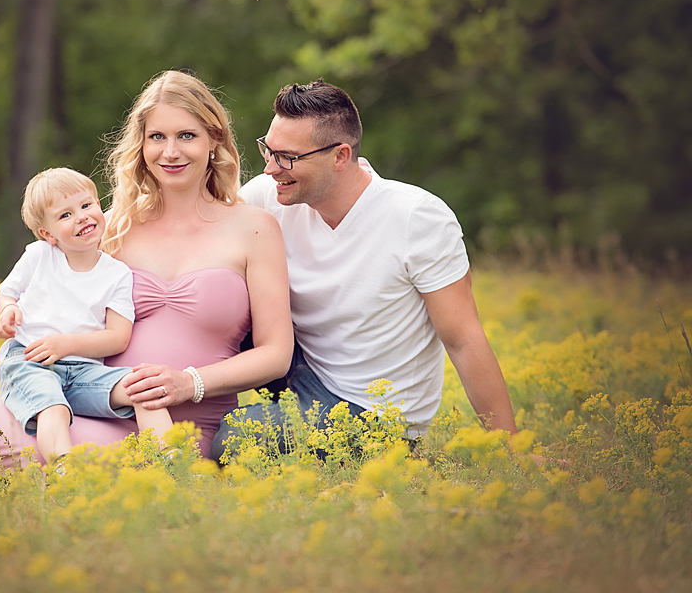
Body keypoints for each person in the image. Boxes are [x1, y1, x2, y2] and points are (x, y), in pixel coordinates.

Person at [0, 71, 293, 480]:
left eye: (187, 136)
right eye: (157, 137)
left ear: (214, 139)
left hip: (177, 426)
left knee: (91, 462)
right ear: (141, 144)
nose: (171, 152)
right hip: (96, 402)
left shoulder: (253, 228)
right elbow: (47, 286)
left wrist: (188, 383)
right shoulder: (112, 225)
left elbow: (276, 353)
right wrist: (14, 314)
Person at [212, 79, 517, 459]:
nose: (272, 168)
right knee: (211, 288)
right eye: (268, 151)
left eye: (288, 157)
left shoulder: (417, 218)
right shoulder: (267, 196)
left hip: (371, 412)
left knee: (233, 440)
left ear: (340, 156)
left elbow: (463, 339)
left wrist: (512, 447)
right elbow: (194, 242)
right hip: (298, 368)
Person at [0, 167, 172, 466]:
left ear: (99, 206)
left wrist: (65, 345)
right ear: (47, 234)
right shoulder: (39, 256)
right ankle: (66, 471)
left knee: (143, 388)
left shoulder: (116, 273)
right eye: (65, 215)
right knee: (53, 407)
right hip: (31, 361)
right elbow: (6, 294)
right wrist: (9, 309)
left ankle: (174, 462)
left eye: (86, 205)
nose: (81, 217)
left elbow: (118, 337)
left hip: (84, 372)